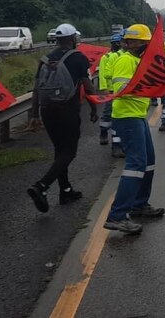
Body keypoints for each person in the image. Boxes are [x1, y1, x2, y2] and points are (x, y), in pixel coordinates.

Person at [27, 23, 98, 213]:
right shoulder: (77, 58)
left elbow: (36, 90)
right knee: (69, 152)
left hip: (47, 111)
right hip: (67, 111)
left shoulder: (45, 59)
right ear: (73, 39)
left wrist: (34, 115)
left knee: (60, 151)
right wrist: (93, 108)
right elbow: (88, 87)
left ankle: (65, 191)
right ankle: (41, 186)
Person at [103, 24, 164, 234]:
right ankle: (117, 215)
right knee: (135, 165)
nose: (146, 46)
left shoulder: (139, 61)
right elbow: (120, 89)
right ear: (129, 43)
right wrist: (147, 87)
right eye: (142, 43)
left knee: (148, 162)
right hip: (127, 117)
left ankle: (139, 204)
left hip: (138, 116)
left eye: (147, 43)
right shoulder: (125, 61)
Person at [98, 33, 126, 157]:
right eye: (115, 43)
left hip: (119, 92)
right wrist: (104, 88)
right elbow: (103, 74)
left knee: (117, 119)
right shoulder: (107, 57)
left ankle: (118, 144)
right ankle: (103, 132)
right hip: (110, 91)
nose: (116, 45)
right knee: (107, 114)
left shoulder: (123, 56)